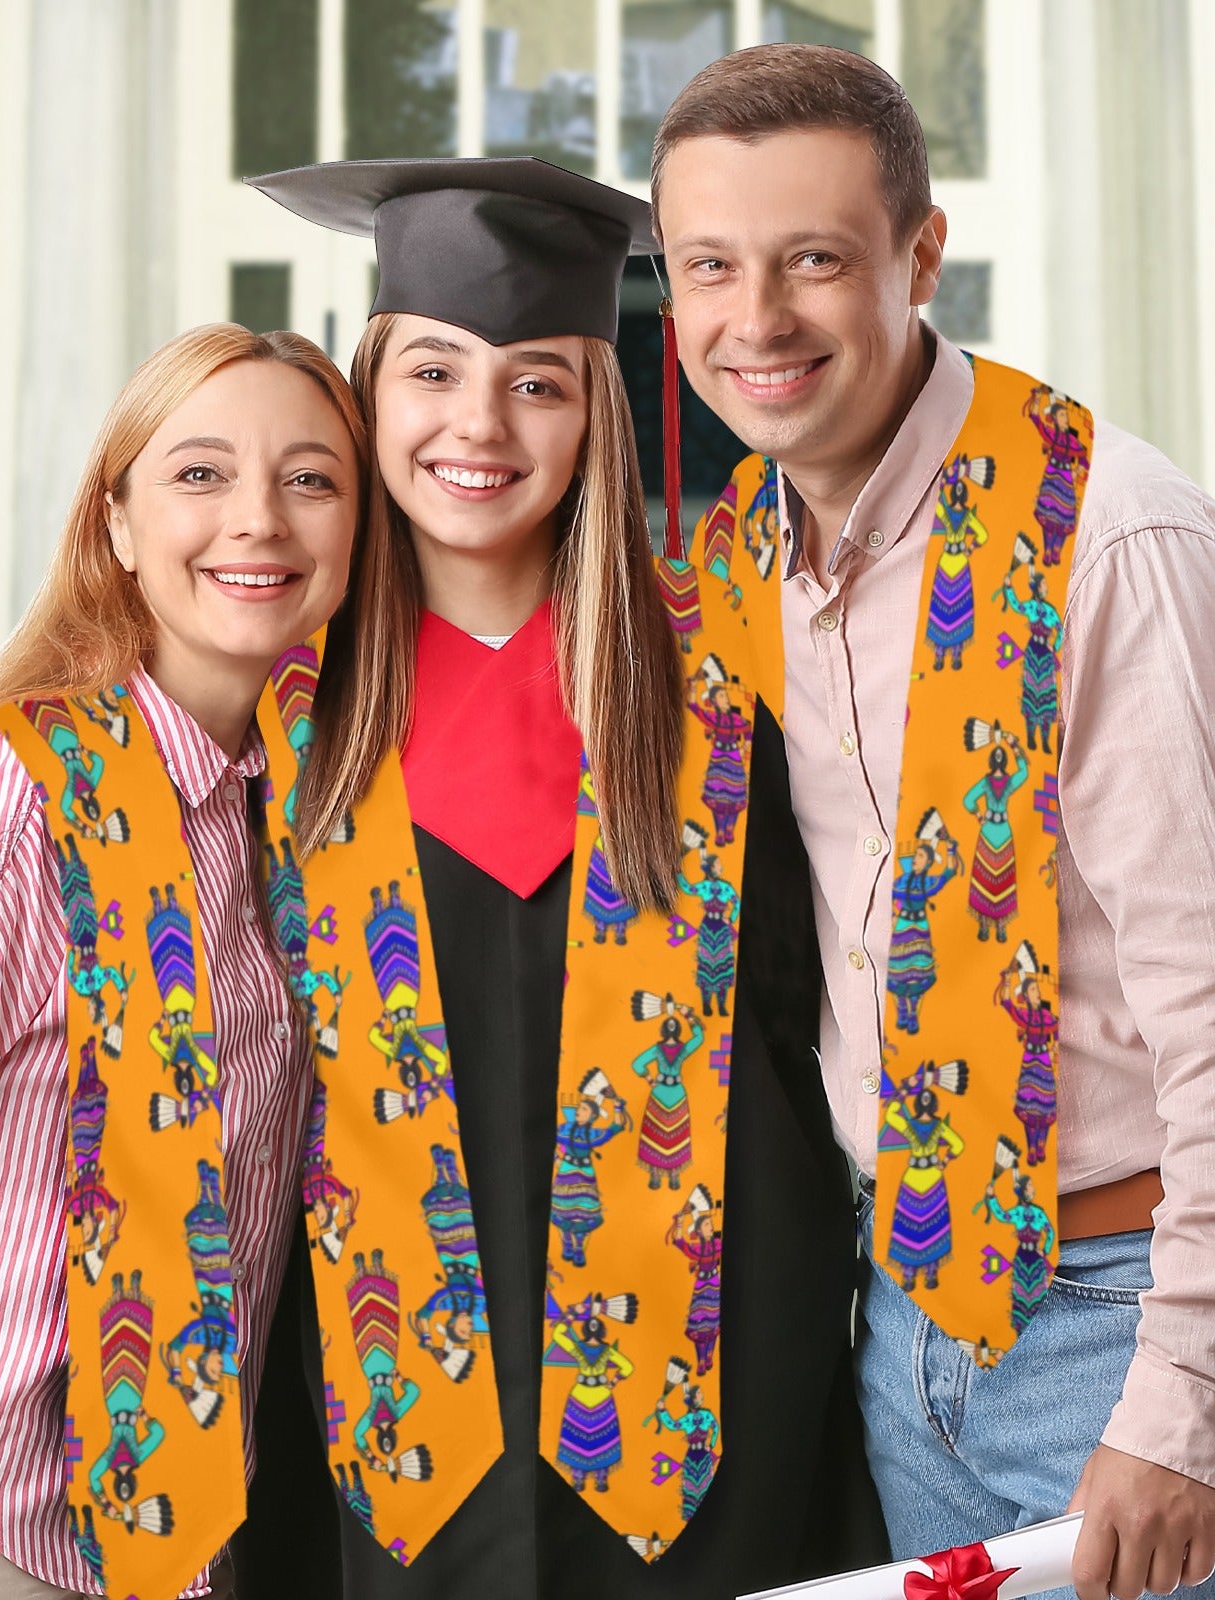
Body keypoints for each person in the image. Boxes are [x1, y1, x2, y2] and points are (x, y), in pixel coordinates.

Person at [650, 43, 1215, 1600]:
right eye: (711, 266)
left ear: (920, 256)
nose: (754, 320)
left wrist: (1187, 1411)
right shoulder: (749, 555)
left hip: (1120, 1320)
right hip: (904, 1314)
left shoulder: (1113, 549)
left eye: (814, 260)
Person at [228, 156, 883, 1599]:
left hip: (711, 1395)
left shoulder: (728, 671)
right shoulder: (271, 705)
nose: (480, 425)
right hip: (369, 1407)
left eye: (538, 382)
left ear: (597, 413)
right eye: (435, 373)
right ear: (366, 393)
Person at [0, 324, 366, 1600]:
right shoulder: (8, 796)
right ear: (114, 525)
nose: (258, 521)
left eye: (311, 478)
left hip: (166, 1542)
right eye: (200, 474)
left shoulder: (276, 821)